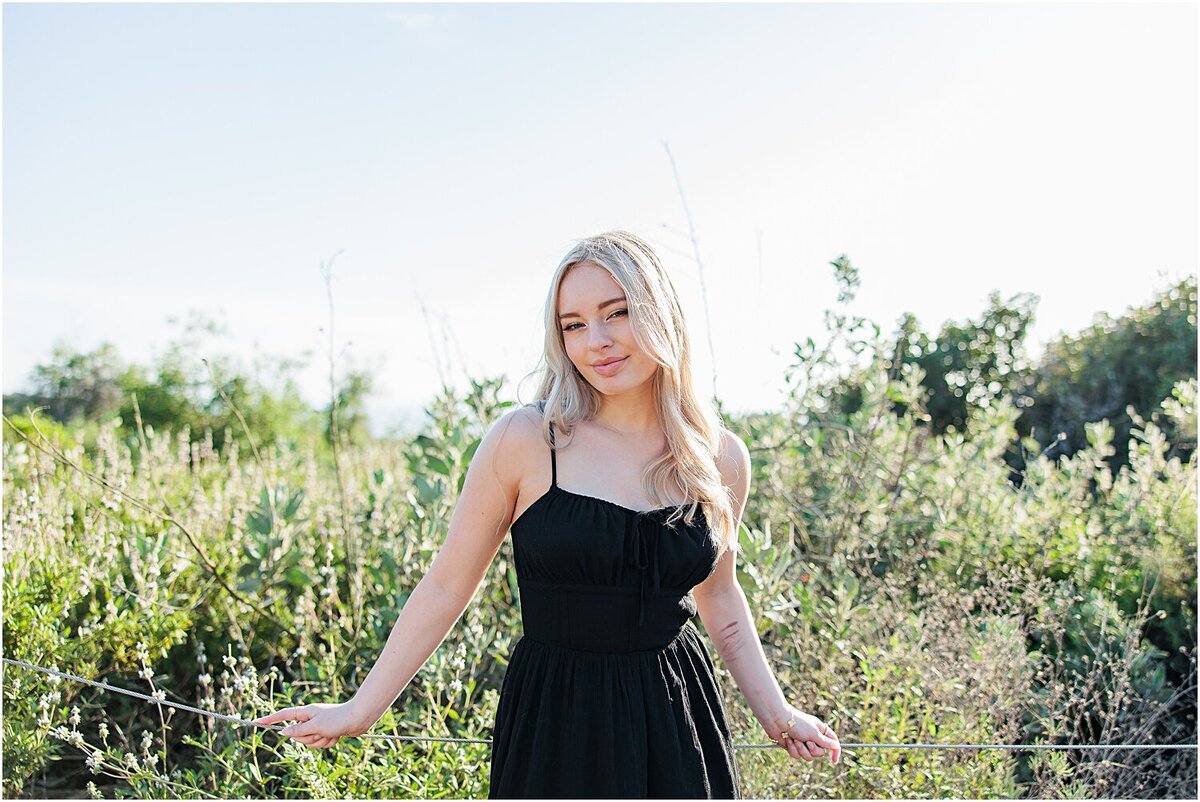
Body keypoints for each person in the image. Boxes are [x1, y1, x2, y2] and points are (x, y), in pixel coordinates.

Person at [254, 231, 841, 797]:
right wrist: (362, 709)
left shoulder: (717, 455)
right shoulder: (527, 440)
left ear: (662, 313)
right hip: (557, 720)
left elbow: (719, 596)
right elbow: (446, 584)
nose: (597, 341)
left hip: (675, 717)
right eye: (574, 325)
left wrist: (778, 715)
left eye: (617, 313)